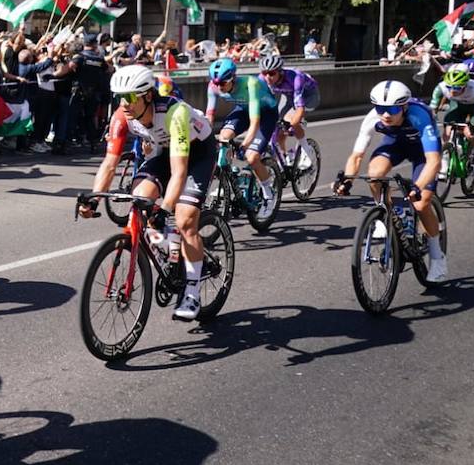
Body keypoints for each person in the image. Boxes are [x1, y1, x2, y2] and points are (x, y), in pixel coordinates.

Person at [80, 65, 216, 320]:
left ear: (148, 96)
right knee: (140, 196)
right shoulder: (121, 116)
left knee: (185, 219)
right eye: (120, 97)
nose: (124, 104)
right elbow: (110, 164)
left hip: (199, 154)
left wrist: (165, 210)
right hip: (164, 152)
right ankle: (166, 244)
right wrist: (94, 199)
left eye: (131, 97)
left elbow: (179, 172)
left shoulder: (174, 113)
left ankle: (192, 291)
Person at [335, 80, 446, 281]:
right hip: (395, 143)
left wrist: (418, 187)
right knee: (374, 173)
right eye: (380, 108)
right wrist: (347, 181)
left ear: (404, 107)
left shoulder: (419, 116)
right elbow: (357, 156)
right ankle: (385, 215)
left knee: (421, 204)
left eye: (393, 109)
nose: (386, 114)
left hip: (423, 150)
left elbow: (434, 162)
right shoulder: (372, 118)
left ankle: (438, 257)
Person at [206, 57, 278, 220]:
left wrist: (245, 144)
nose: (218, 87)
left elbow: (255, 123)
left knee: (251, 157)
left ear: (233, 79)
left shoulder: (250, 84)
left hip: (266, 114)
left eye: (222, 84)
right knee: (223, 137)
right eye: (216, 83)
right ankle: (228, 176)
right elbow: (209, 116)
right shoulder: (214, 85)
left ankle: (268, 194)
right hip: (243, 109)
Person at [259, 51, 319, 162]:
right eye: (264, 72)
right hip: (289, 96)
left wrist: (294, 122)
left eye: (272, 73)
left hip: (309, 96)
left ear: (280, 72)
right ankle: (284, 157)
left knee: (292, 121)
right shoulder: (263, 79)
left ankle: (306, 151)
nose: (268, 77)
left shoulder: (296, 78)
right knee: (278, 129)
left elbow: (299, 106)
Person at [430, 65, 474, 172]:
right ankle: (445, 160)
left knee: (472, 134)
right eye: (449, 87)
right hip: (457, 105)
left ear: (465, 85)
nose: (452, 91)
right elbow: (432, 110)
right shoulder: (441, 87)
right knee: (447, 130)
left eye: (457, 87)